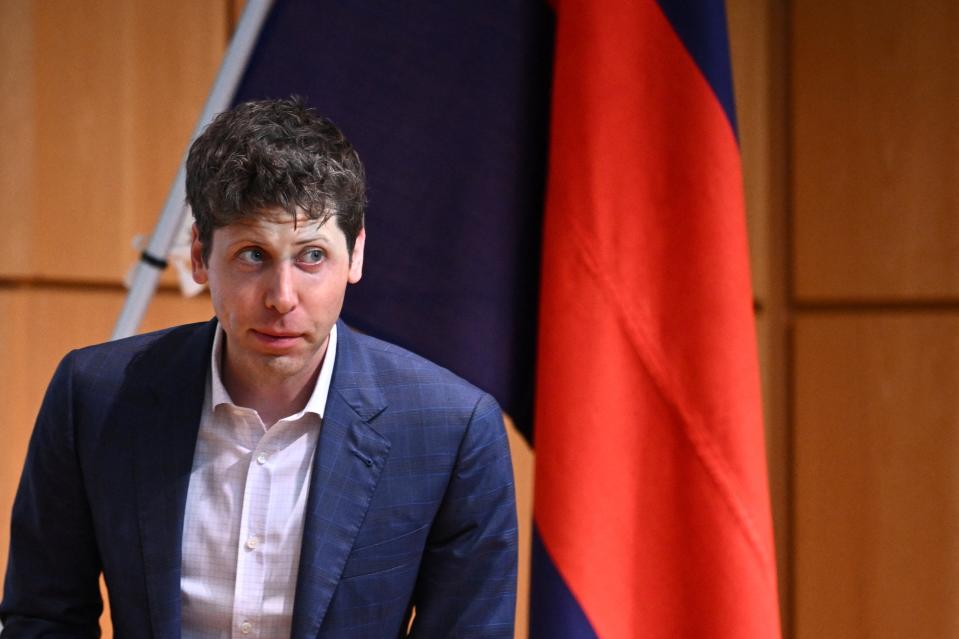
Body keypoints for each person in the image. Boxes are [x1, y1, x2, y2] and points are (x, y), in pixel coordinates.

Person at [1, 98, 517, 638]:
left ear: (356, 254)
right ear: (200, 255)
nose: (282, 297)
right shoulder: (94, 397)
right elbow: (43, 618)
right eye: (252, 254)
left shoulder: (452, 429)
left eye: (312, 256)